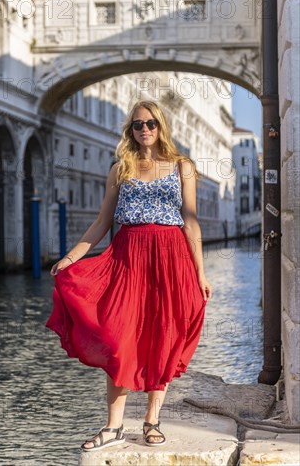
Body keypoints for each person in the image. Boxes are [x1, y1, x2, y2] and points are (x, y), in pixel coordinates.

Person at [46, 99, 213, 452]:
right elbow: (102, 222)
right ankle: (114, 426)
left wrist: (200, 274)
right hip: (127, 258)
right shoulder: (119, 169)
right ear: (130, 130)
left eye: (151, 123)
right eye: (138, 125)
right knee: (117, 337)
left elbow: (192, 224)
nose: (145, 130)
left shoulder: (183, 167)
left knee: (163, 337)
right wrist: (71, 257)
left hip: (171, 260)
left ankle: (152, 420)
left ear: (161, 126)